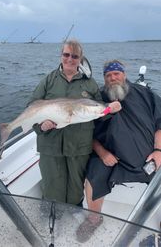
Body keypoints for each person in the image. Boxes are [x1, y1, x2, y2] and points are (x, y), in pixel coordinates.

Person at [76, 59, 161, 242]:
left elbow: (159, 124)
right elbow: (85, 133)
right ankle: (93, 218)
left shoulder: (145, 94)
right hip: (112, 158)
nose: (113, 78)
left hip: (148, 157)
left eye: (116, 74)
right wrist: (102, 153)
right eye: (108, 75)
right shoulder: (96, 99)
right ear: (104, 79)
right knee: (94, 172)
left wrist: (158, 150)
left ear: (124, 74)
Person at [30, 41, 120, 206]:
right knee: (52, 189)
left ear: (80, 59)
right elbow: (32, 108)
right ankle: (51, 219)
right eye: (66, 55)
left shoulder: (90, 83)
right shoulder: (48, 80)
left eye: (74, 56)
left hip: (79, 147)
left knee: (75, 190)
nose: (70, 59)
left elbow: (100, 113)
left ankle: (71, 219)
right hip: (50, 146)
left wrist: (110, 109)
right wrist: (41, 127)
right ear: (61, 56)